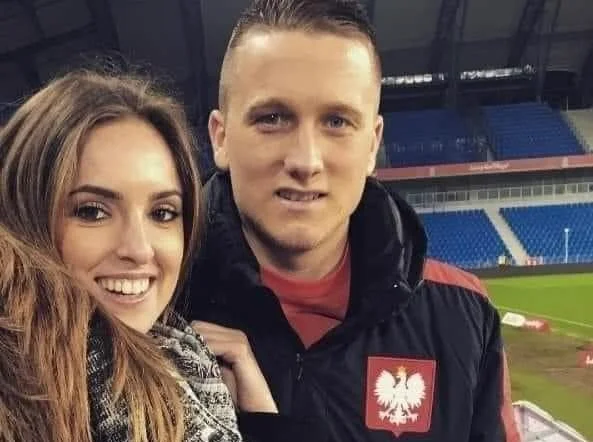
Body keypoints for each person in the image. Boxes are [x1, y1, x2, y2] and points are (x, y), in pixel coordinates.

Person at [182, 0, 522, 441]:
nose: (306, 161)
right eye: (272, 119)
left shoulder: (462, 314)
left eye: (337, 121)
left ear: (372, 145)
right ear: (221, 137)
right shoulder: (157, 310)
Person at [0, 69, 281, 442]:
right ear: (23, 214)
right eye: (92, 211)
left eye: (162, 213)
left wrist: (261, 419)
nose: (139, 249)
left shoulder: (184, 361)